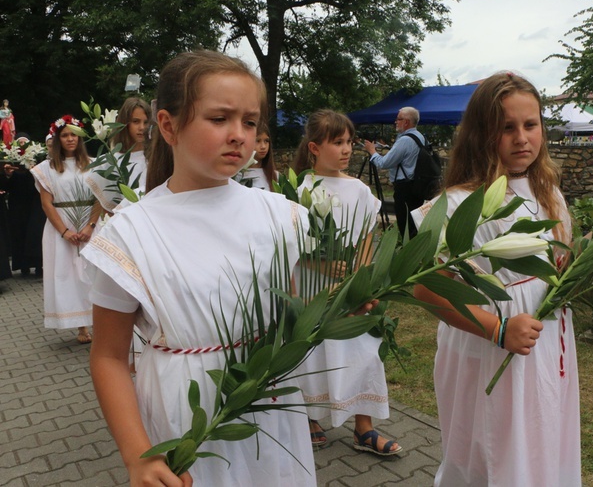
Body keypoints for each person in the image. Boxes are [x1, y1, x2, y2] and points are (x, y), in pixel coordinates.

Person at [81, 50, 316, 486]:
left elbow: (292, 306)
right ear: (168, 126)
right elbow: (109, 356)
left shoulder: (280, 214)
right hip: (184, 416)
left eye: (249, 122)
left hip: (266, 399)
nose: (239, 136)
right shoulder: (132, 233)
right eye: (219, 118)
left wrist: (338, 310)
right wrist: (138, 458)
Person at [412, 72, 581, 486]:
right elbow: (427, 290)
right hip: (488, 340)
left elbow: (557, 256)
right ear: (482, 133)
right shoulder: (456, 204)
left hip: (542, 338)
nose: (522, 137)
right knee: (493, 448)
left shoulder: (547, 191)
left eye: (531, 125)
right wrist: (498, 328)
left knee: (541, 431)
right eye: (507, 127)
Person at [291, 109, 401, 456]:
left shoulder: (359, 189)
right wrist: (320, 265)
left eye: (350, 142)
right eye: (337, 142)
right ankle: (309, 416)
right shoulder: (299, 190)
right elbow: (290, 243)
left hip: (352, 284)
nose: (346, 149)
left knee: (362, 350)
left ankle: (363, 428)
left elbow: (368, 236)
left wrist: (362, 277)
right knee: (313, 351)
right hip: (313, 285)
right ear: (313, 147)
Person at [31, 116, 101, 343]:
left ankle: (101, 323)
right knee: (68, 277)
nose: (70, 139)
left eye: (74, 135)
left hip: (90, 228)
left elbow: (100, 197)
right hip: (60, 229)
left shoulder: (94, 164)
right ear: (58, 139)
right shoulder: (46, 169)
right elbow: (46, 203)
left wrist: (90, 226)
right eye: (65, 135)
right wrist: (64, 231)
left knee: (94, 275)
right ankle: (81, 326)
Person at [364, 106, 424, 239]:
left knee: (405, 226)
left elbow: (384, 163)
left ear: (406, 122)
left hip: (404, 188)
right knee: (414, 224)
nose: (395, 122)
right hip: (416, 186)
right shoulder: (419, 137)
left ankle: (407, 252)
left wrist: (372, 151)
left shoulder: (405, 140)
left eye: (398, 119)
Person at [86, 97, 152, 212]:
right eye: (136, 121)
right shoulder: (111, 162)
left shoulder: (156, 159)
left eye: (145, 122)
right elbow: (108, 208)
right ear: (125, 124)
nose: (142, 128)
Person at [1, 135, 45, 277]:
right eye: (20, 144)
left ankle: (39, 265)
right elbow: (5, 187)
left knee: (36, 234)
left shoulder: (38, 162)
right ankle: (23, 266)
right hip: (17, 207)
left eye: (25, 143)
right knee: (19, 235)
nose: (22, 146)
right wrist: (8, 175)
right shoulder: (11, 163)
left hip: (34, 204)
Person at [236, 123, 277, 190]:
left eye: (266, 141)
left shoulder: (275, 176)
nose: (263, 146)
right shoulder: (237, 176)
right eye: (257, 141)